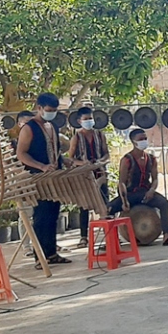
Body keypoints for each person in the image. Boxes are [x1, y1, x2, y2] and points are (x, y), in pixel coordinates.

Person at [16, 93, 71, 268]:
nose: (52, 113)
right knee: (41, 217)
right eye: (49, 110)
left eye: (55, 110)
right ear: (39, 108)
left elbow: (55, 150)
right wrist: (40, 166)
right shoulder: (28, 128)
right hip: (38, 178)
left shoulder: (52, 126)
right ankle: (39, 257)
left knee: (54, 214)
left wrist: (65, 162)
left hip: (54, 177)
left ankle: (51, 253)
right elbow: (21, 153)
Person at [109, 129, 168, 246]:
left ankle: (167, 236)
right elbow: (122, 182)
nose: (143, 141)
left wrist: (151, 191)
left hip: (145, 193)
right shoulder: (127, 160)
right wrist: (124, 201)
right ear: (133, 142)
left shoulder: (151, 159)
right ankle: (112, 241)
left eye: (145, 139)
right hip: (130, 194)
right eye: (140, 139)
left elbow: (154, 179)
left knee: (164, 203)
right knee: (109, 209)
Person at [68, 106, 111, 248]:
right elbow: (70, 159)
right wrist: (82, 163)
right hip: (84, 176)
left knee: (104, 203)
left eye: (90, 119)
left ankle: (108, 236)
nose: (89, 121)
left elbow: (106, 154)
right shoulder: (76, 137)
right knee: (84, 206)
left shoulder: (100, 135)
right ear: (79, 121)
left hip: (100, 173)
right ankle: (83, 237)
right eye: (86, 119)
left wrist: (102, 161)